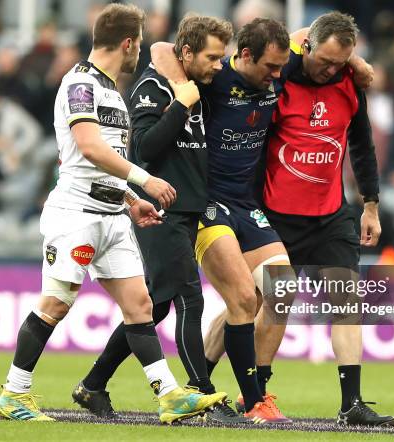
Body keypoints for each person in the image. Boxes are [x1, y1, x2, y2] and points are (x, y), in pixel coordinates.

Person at [0, 4, 225, 423]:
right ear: (128, 43)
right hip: (77, 214)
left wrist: (130, 200)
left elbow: (105, 160)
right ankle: (14, 392)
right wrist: (145, 181)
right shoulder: (80, 84)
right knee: (56, 304)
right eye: (138, 41)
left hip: (113, 214)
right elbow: (89, 148)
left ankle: (169, 395)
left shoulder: (111, 90)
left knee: (139, 304)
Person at [151, 18, 373, 423]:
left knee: (280, 290)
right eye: (271, 68)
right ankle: (232, 396)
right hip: (208, 203)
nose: (278, 77)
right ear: (246, 56)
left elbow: (311, 35)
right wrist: (181, 87)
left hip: (246, 203)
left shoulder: (281, 64)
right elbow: (161, 49)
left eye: (281, 67)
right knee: (241, 300)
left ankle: (226, 392)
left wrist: (352, 60)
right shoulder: (214, 78)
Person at [71, 14, 245, 424]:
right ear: (188, 53)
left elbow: (164, 49)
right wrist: (180, 105)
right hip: (159, 210)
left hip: (187, 211)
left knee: (155, 307)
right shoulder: (152, 88)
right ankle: (202, 394)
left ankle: (93, 385)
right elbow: (145, 148)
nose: (218, 66)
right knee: (191, 297)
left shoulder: (194, 81)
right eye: (212, 57)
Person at [260, 11, 394, 426]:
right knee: (268, 304)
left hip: (330, 214)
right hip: (276, 215)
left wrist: (370, 204)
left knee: (347, 302)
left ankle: (350, 404)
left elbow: (362, 146)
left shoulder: (350, 86)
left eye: (342, 62)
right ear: (306, 48)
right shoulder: (279, 76)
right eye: (326, 61)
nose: (331, 69)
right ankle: (250, 393)